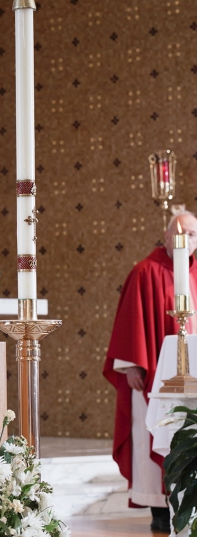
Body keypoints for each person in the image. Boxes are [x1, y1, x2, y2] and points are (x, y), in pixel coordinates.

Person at [104, 211, 197, 532]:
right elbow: (131, 321)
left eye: (193, 235)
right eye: (181, 233)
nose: (187, 241)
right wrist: (130, 364)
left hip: (192, 382)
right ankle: (159, 511)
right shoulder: (145, 271)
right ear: (168, 236)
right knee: (152, 435)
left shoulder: (196, 274)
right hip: (152, 377)